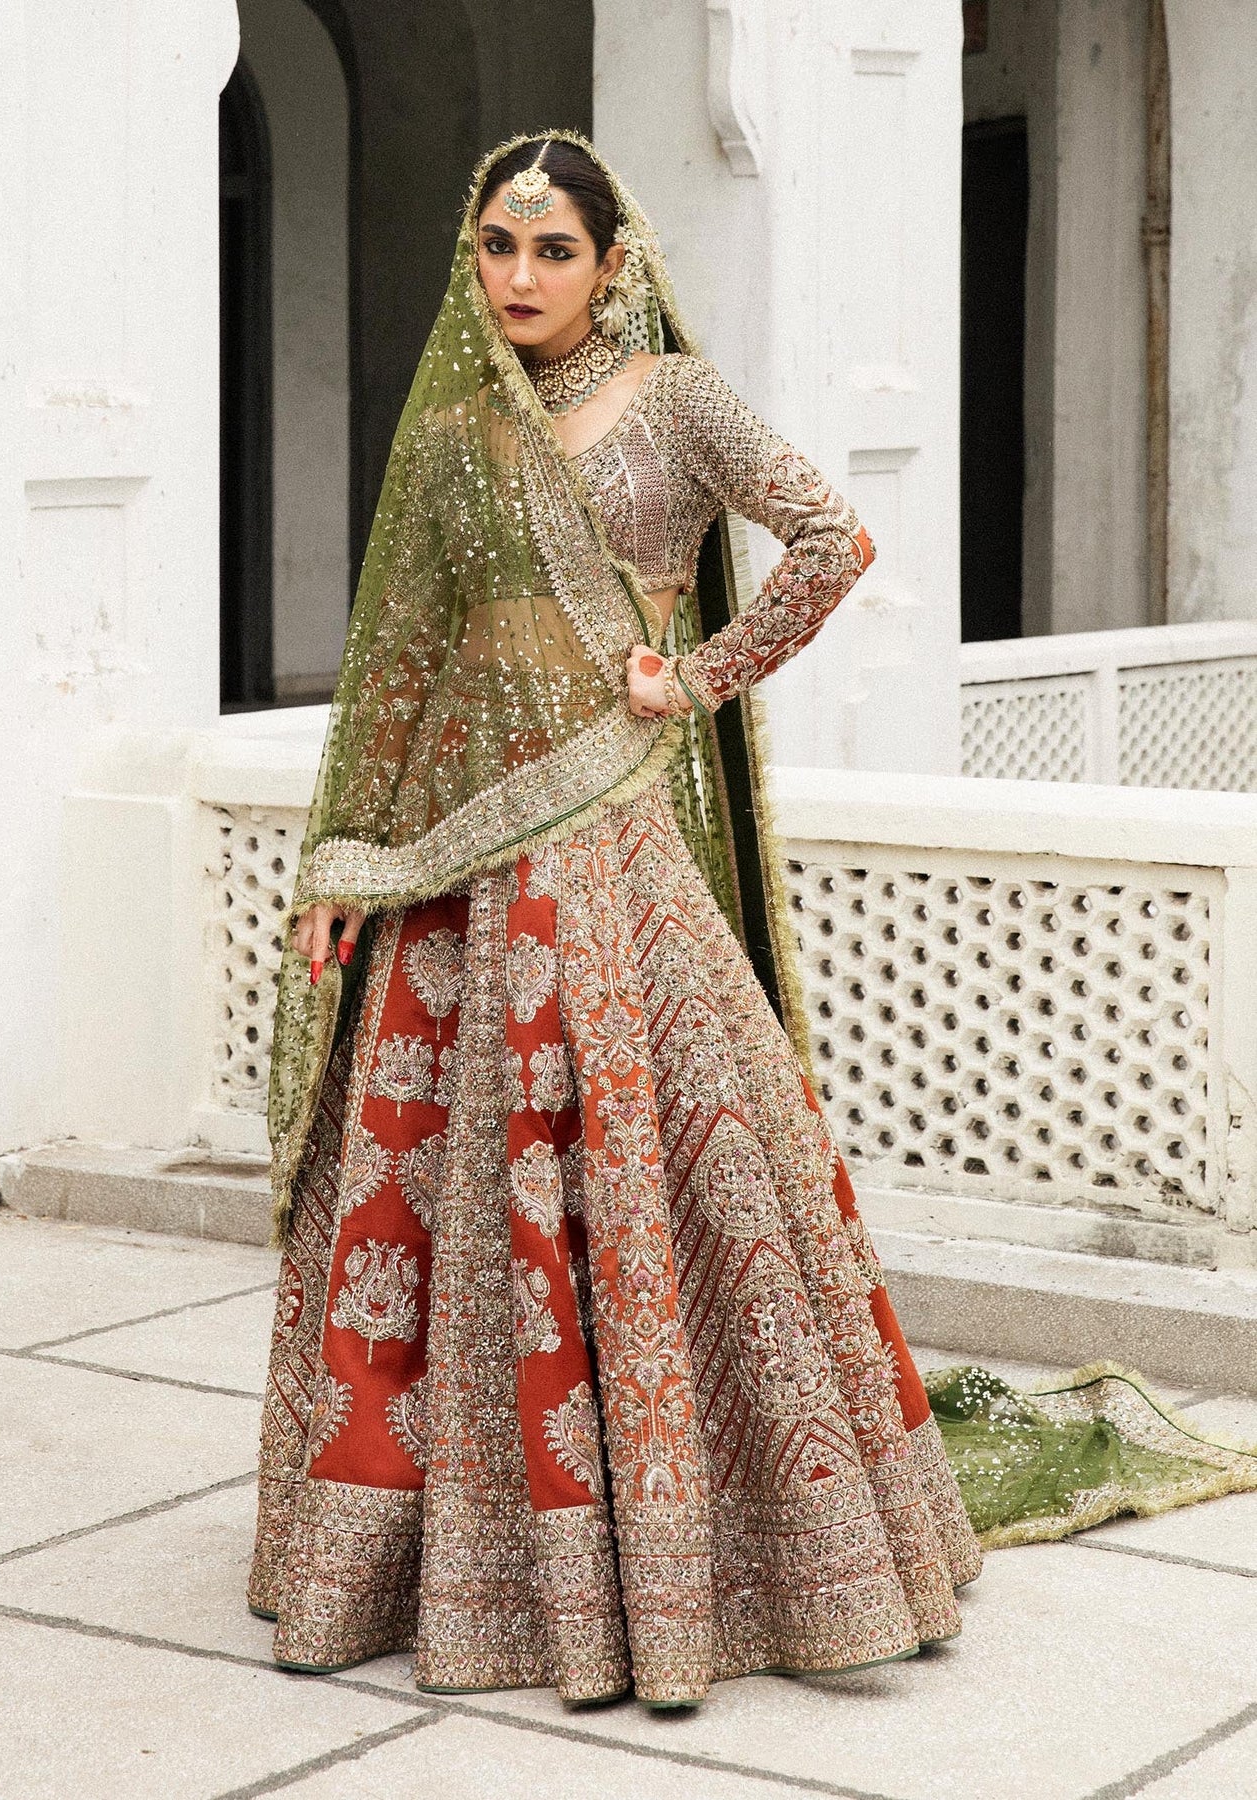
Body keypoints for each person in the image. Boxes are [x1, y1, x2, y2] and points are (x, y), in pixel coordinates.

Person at [247, 131, 984, 1710]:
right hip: (454, 860)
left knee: (669, 1162)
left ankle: (713, 1540)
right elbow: (403, 667)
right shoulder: (457, 433)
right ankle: (440, 1555)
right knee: (431, 1197)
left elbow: (833, 539)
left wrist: (696, 675)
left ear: (611, 260)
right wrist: (345, 866)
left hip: (613, 838)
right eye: (495, 245)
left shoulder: (677, 401)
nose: (518, 276)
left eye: (551, 249)